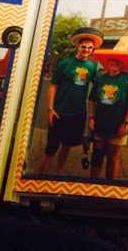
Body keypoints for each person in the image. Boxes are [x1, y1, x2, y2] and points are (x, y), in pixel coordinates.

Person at [37, 27, 104, 175]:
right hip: (59, 113)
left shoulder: (92, 68)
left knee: (66, 146)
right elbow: (53, 86)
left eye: (90, 48)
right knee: (50, 149)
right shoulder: (65, 64)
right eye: (84, 47)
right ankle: (39, 178)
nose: (86, 50)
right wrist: (50, 109)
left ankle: (58, 174)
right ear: (78, 46)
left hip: (78, 114)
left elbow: (98, 89)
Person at [88, 32, 128, 180]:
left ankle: (109, 186)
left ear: (122, 63)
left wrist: (125, 123)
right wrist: (91, 117)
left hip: (118, 127)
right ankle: (92, 185)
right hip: (99, 125)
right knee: (97, 157)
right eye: (112, 60)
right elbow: (92, 99)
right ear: (108, 62)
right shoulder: (101, 79)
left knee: (112, 159)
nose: (114, 63)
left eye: (118, 60)